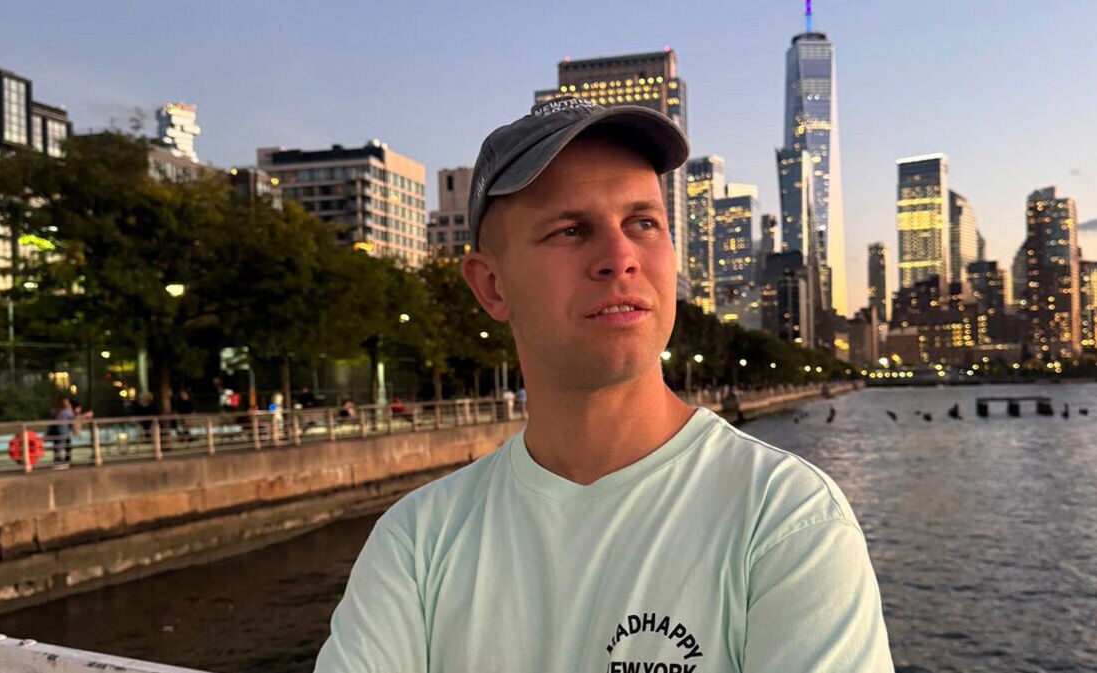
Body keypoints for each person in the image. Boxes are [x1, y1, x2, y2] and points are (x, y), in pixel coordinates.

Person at [315, 99, 893, 672]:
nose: (620, 258)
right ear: (491, 286)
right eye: (570, 230)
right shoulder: (416, 543)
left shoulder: (786, 521)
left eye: (643, 223)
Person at [48, 395, 75, 469]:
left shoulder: (54, 410)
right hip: (63, 432)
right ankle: (63, 463)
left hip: (58, 431)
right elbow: (72, 419)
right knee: (64, 448)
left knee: (59, 448)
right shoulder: (66, 411)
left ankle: (59, 462)